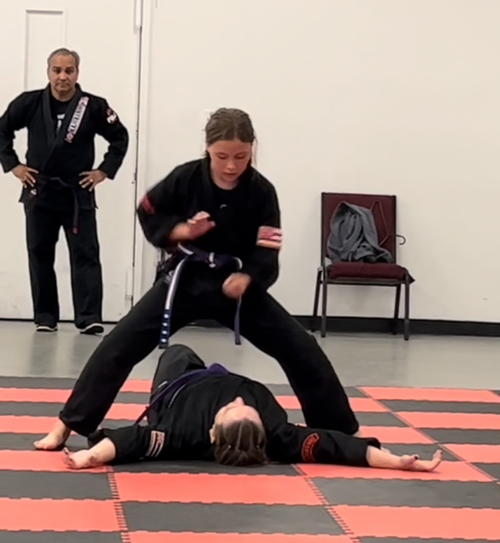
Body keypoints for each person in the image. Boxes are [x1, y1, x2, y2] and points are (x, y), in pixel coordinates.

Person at [35, 107, 359, 451]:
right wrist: (181, 230)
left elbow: (267, 249)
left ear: (252, 148)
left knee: (301, 348)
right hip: (185, 282)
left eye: (241, 156)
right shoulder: (186, 178)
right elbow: (148, 210)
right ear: (207, 147)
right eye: (222, 156)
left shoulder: (262, 192)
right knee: (119, 346)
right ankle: (67, 424)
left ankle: (338, 431)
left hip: (235, 288)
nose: (231, 165)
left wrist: (248, 277)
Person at [62, 344, 442, 472]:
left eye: (233, 410)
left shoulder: (179, 433)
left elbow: (131, 440)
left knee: (175, 351)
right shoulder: (279, 436)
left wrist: (88, 457)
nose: (240, 401)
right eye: (248, 410)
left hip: (179, 385)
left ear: (213, 432)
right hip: (218, 375)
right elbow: (337, 446)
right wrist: (397, 461)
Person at [0, 48, 129, 334]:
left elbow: (119, 138)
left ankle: (89, 317)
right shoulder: (29, 103)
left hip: (76, 192)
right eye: (57, 70)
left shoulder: (93, 106)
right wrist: (13, 165)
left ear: (77, 73)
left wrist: (103, 171)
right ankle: (45, 317)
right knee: (40, 254)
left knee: (86, 254)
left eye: (69, 70)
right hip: (40, 189)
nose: (62, 76)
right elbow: (2, 131)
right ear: (48, 72)